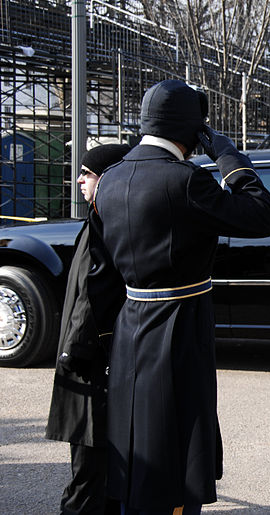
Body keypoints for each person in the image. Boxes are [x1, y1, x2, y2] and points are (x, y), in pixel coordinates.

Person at [90, 79, 270, 514]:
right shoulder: (187, 182)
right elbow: (263, 216)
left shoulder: (109, 181)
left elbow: (100, 275)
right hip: (178, 327)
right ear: (192, 131)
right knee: (176, 453)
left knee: (137, 450)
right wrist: (229, 157)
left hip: (129, 326)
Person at [45, 144, 130, 515]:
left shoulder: (105, 223)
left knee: (88, 463)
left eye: (88, 173)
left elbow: (94, 295)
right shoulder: (103, 218)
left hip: (92, 360)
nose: (79, 179)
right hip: (95, 357)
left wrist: (72, 350)